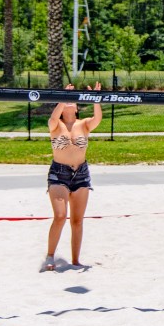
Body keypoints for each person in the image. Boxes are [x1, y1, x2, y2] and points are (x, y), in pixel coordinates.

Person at [43, 101, 102, 273]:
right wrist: (63, 96)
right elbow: (53, 116)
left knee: (77, 221)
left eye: (72, 101)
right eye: (66, 101)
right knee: (60, 216)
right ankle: (50, 255)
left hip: (81, 173)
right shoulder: (56, 124)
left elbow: (97, 118)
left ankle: (75, 260)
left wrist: (96, 99)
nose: (69, 103)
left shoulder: (83, 124)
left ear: (77, 108)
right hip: (59, 173)